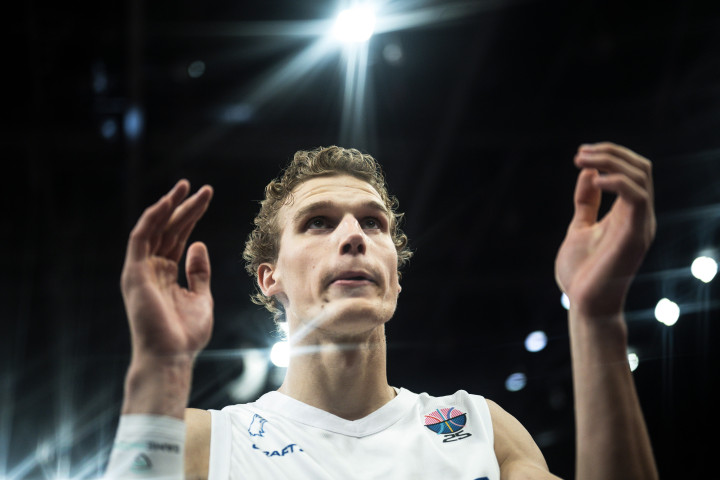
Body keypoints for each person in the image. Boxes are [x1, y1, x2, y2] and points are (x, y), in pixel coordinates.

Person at [105, 143, 659, 479]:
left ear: (395, 270)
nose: (354, 236)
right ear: (270, 278)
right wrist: (159, 368)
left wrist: (597, 318)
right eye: (318, 222)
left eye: (373, 223)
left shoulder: (481, 429)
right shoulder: (209, 441)